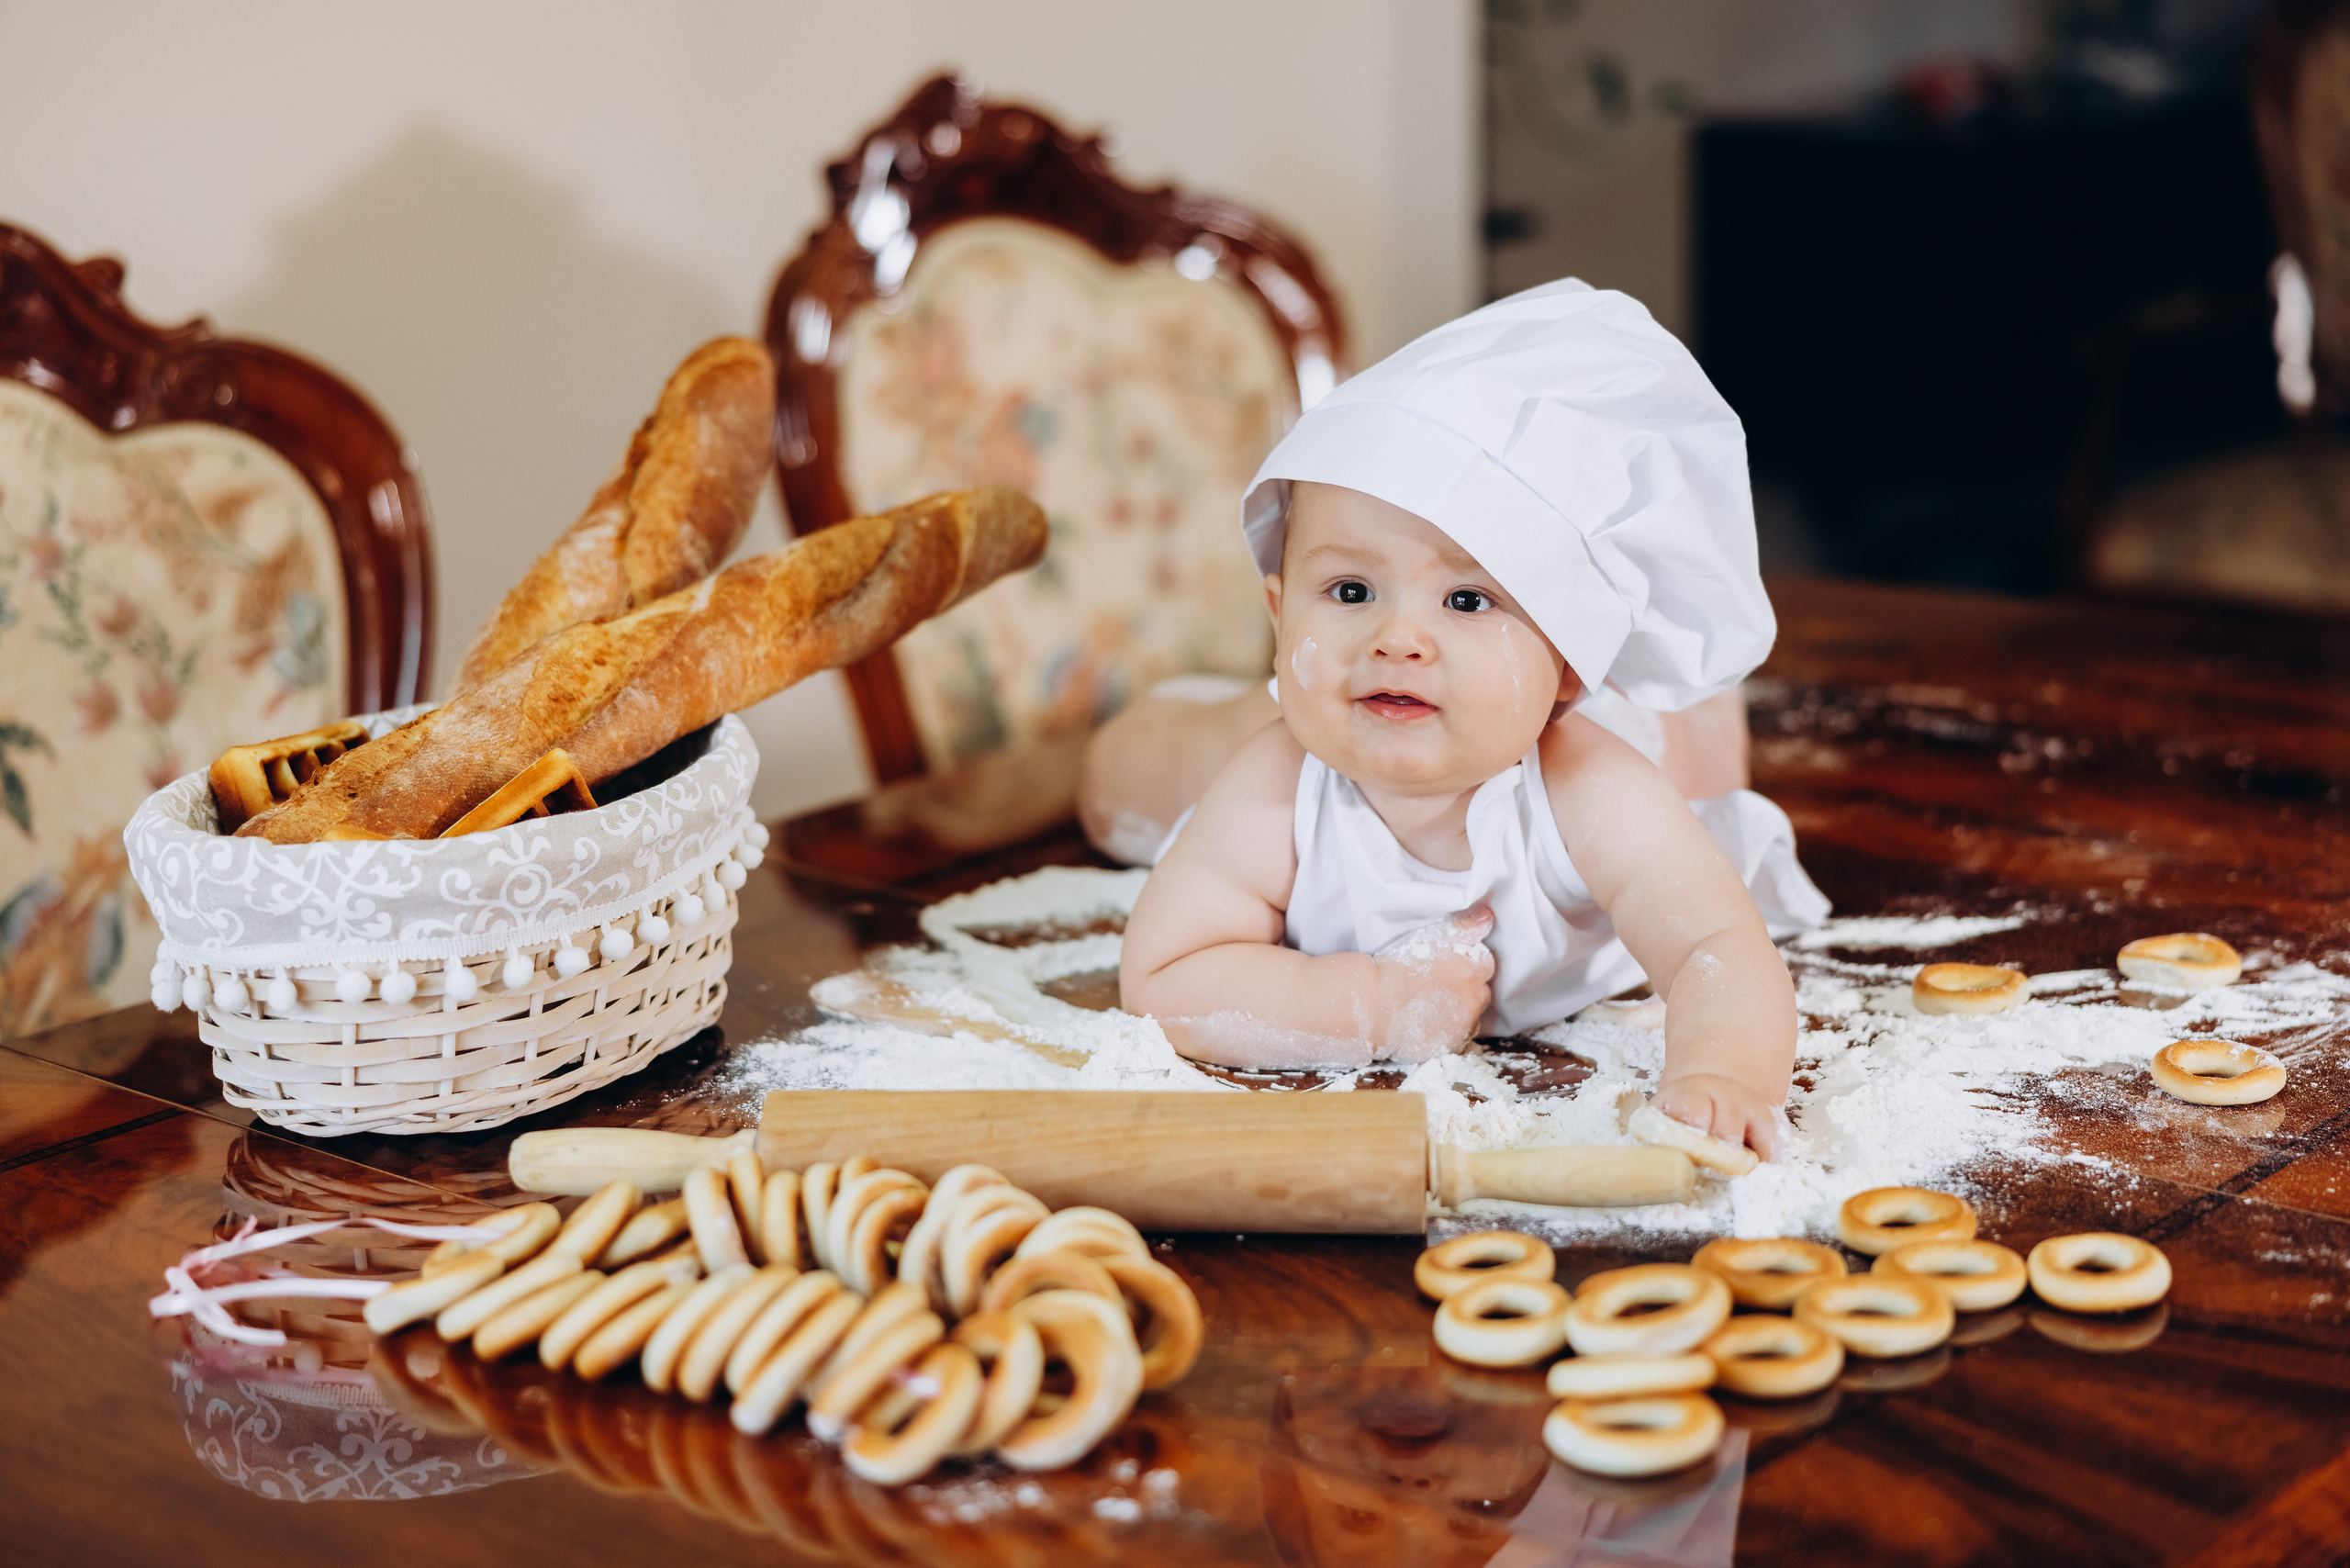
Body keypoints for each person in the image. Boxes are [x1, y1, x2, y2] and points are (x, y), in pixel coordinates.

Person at [1105, 279, 1829, 1161]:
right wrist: (1367, 1004)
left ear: (1566, 662)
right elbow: (1163, 977)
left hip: (1626, 748)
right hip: (1270, 732)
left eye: (1466, 599)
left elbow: (1715, 943)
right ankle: (1185, 715)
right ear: (1277, 611)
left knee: (1694, 762)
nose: (1397, 638)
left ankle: (1694, 711)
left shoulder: (1589, 789)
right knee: (1124, 783)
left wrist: (1726, 1071)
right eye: (1350, 591)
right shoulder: (1275, 784)